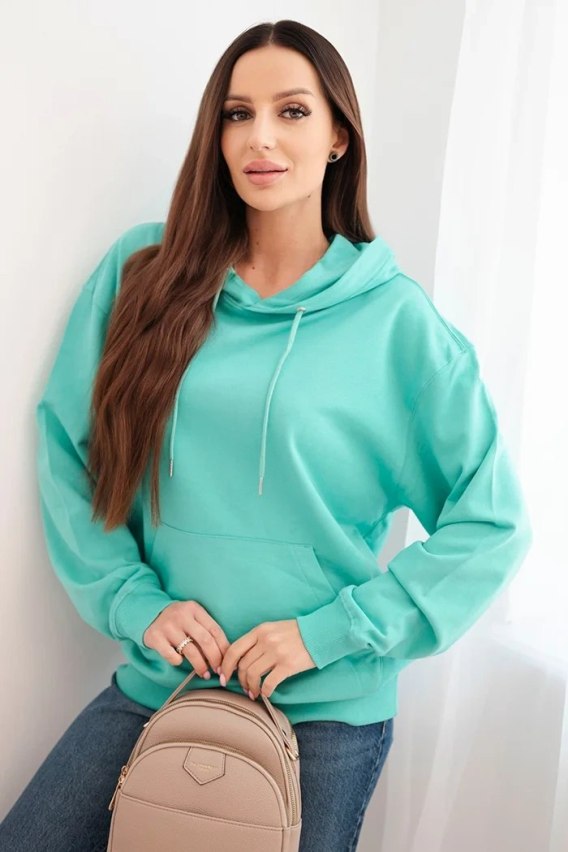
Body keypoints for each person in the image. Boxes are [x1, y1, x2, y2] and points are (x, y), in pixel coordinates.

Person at [0, 17, 532, 852]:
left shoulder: (398, 326)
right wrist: (131, 599)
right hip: (162, 685)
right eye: (238, 113)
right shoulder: (146, 276)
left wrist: (330, 633)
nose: (260, 138)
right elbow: (71, 448)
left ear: (338, 137)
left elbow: (492, 522)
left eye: (292, 111)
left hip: (321, 713)